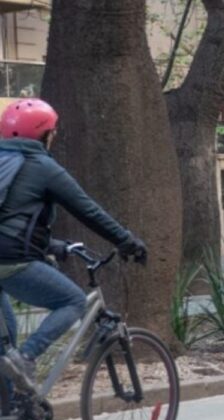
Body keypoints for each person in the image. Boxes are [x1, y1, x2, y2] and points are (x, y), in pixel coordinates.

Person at [0, 98, 146, 393]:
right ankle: (27, 358)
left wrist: (53, 246)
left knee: (6, 344)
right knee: (73, 301)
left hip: (9, 252)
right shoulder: (42, 166)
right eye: (52, 132)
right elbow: (88, 211)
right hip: (10, 261)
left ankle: (10, 413)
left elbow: (11, 219)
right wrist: (127, 241)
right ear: (45, 135)